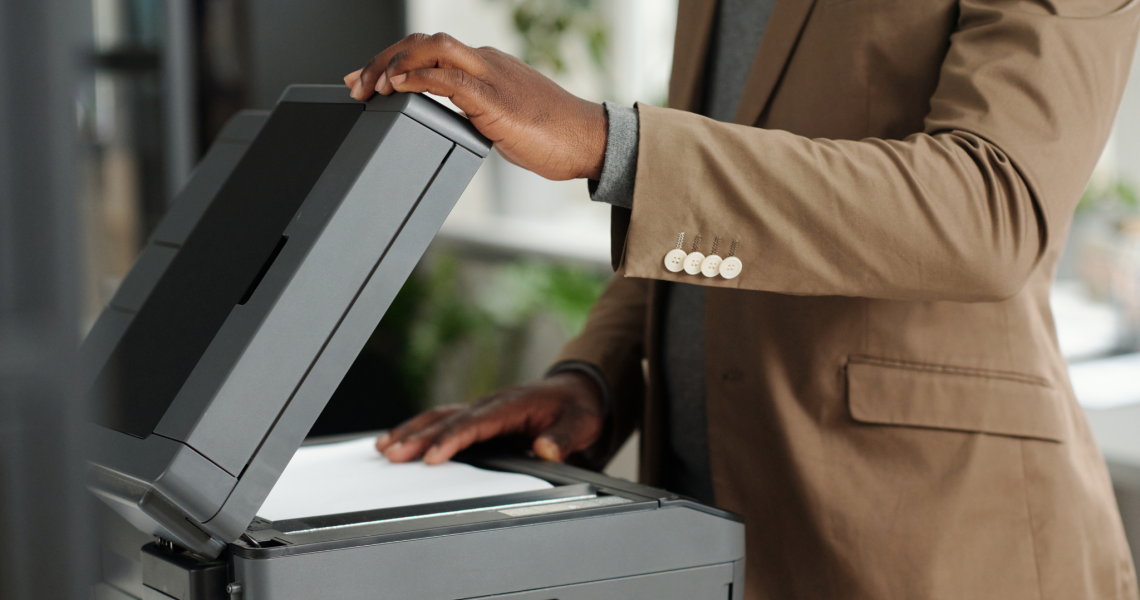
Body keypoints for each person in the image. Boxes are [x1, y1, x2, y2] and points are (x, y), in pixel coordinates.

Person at [344, 0, 1140, 597]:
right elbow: (722, 192)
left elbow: (993, 205)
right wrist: (597, 373)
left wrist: (606, 141)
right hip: (712, 524)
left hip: (940, 544)